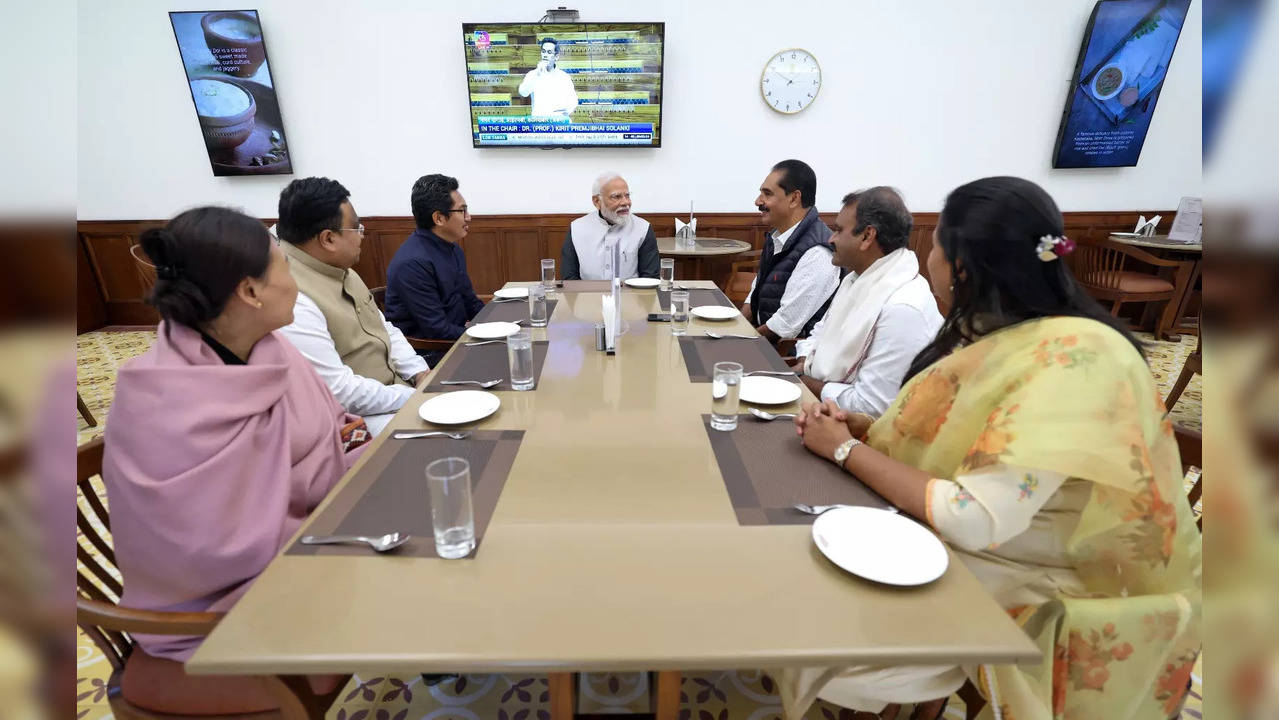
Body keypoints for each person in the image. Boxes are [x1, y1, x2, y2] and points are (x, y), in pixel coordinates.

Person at [781, 177, 1201, 720]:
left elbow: (975, 517)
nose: (924, 257)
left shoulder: (1078, 364)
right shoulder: (1008, 331)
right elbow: (953, 435)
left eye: (934, 246)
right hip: (1001, 543)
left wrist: (844, 452)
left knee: (815, 604)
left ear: (960, 265)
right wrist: (863, 428)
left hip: (1038, 579)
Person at [102, 207, 363, 712]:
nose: (294, 280)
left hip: (307, 537)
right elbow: (210, 551)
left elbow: (317, 436)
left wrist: (337, 437)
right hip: (219, 607)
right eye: (283, 266)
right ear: (250, 291)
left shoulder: (271, 348)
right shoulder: (157, 404)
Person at [275, 177, 429, 435]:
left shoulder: (340, 269)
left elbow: (383, 327)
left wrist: (419, 372)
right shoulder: (290, 295)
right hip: (356, 421)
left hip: (396, 394)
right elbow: (339, 392)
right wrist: (412, 397)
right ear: (328, 239)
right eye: (356, 228)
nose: (362, 235)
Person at [792, 187, 942, 417]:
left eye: (839, 230)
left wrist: (805, 382)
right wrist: (806, 363)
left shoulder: (903, 307)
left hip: (863, 436)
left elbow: (872, 408)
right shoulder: (858, 278)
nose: (831, 238)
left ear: (867, 236)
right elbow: (819, 334)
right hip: (825, 408)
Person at [384, 174, 484, 363]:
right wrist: (483, 334)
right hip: (428, 353)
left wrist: (494, 324)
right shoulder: (412, 264)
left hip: (454, 339)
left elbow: (470, 301)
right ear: (438, 218)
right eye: (462, 211)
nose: (469, 218)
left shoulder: (452, 247)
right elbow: (435, 329)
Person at [742, 159, 840, 344]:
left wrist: (739, 342)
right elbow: (757, 289)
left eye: (767, 194)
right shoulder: (777, 236)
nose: (758, 201)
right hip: (763, 342)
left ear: (794, 198)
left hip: (786, 357)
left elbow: (784, 326)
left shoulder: (818, 253)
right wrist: (738, 324)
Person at [562, 172, 660, 281]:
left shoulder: (643, 228)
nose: (626, 202)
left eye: (627, 196)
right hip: (587, 295)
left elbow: (650, 277)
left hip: (630, 296)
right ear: (597, 201)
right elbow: (569, 277)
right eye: (617, 196)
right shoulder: (577, 228)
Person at [517, 37, 578, 118]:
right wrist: (537, 74)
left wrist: (567, 110)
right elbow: (523, 92)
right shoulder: (532, 74)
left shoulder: (564, 77)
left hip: (558, 122)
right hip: (539, 124)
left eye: (549, 52)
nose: (545, 55)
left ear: (556, 57)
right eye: (543, 51)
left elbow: (573, 101)